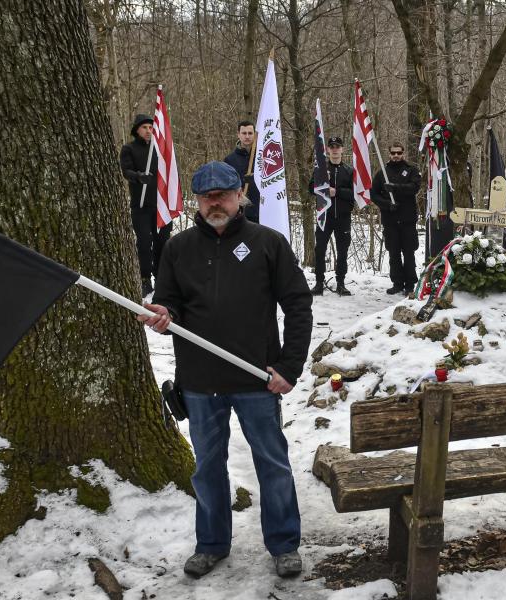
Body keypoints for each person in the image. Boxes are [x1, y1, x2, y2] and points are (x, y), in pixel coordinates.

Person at [138, 161, 313, 578]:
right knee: (207, 467)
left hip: (257, 378)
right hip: (199, 383)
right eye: (206, 196)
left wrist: (289, 366)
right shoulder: (178, 248)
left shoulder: (267, 243)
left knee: (272, 462)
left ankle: (284, 543)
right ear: (197, 201)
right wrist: (165, 313)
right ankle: (212, 543)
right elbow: (170, 302)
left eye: (223, 194)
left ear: (240, 196)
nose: (215, 202)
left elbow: (298, 305)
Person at [120, 114, 171, 297]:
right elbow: (126, 171)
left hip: (161, 206)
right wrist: (139, 176)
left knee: (162, 242)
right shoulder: (129, 149)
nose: (149, 131)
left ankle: (161, 276)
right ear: (137, 130)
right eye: (144, 128)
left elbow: (169, 171)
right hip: (140, 205)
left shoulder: (160, 149)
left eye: (151, 127)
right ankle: (144, 278)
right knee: (143, 242)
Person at [370, 143, 422, 295]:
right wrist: (386, 204)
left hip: (407, 219)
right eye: (393, 153)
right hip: (390, 219)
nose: (396, 155)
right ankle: (397, 283)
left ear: (403, 153)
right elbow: (373, 194)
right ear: (389, 153)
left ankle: (410, 284)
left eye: (399, 152)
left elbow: (414, 188)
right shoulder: (382, 173)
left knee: (409, 252)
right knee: (393, 253)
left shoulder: (412, 170)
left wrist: (395, 187)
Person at [311, 136, 355, 296]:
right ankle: (318, 283)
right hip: (325, 216)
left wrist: (337, 192)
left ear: (342, 149)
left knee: (343, 251)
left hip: (343, 217)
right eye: (332, 146)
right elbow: (311, 189)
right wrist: (322, 186)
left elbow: (356, 194)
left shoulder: (349, 171)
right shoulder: (321, 169)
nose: (335, 149)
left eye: (338, 146)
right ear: (328, 150)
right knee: (320, 250)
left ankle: (341, 283)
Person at [223, 120, 261, 224]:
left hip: (263, 210)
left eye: (250, 133)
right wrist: (243, 181)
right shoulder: (230, 160)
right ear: (238, 134)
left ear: (255, 134)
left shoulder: (262, 157)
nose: (247, 136)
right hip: (242, 213)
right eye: (244, 133)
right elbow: (227, 187)